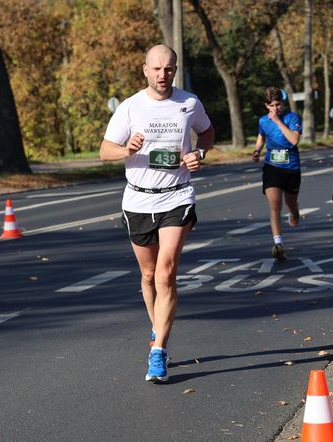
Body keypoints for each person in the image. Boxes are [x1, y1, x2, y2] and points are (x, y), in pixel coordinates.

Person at [99, 44, 215, 383]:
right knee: (148, 276)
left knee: (166, 274)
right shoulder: (130, 107)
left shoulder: (189, 102)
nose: (162, 75)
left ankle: (158, 352)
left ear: (175, 70)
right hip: (138, 201)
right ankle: (156, 328)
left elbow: (206, 131)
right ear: (145, 70)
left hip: (177, 197)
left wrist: (200, 153)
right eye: (156, 69)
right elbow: (105, 150)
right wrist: (126, 149)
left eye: (168, 69)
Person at [251, 87, 302, 261]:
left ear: (283, 103)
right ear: (266, 105)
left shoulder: (292, 118)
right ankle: (278, 243)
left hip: (291, 167)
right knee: (274, 204)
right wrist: (257, 150)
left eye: (278, 104)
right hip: (272, 165)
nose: (276, 108)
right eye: (272, 105)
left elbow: (294, 140)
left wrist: (278, 121)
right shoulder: (263, 121)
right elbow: (262, 137)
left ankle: (294, 211)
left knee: (290, 203)